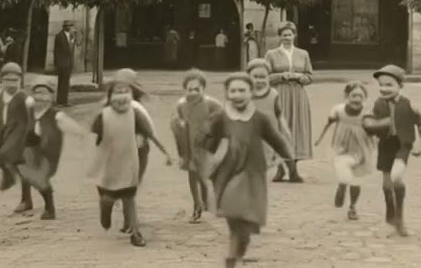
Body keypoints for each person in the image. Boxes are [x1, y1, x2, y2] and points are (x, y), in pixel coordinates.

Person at [205, 72, 296, 268]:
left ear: (251, 92)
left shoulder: (259, 118)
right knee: (233, 212)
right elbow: (209, 141)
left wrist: (288, 154)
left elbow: (275, 138)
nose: (237, 94)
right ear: (227, 93)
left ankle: (237, 252)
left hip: (253, 172)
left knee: (246, 222)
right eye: (233, 91)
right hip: (228, 172)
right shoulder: (221, 116)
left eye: (242, 90)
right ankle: (232, 255)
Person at [84, 68, 172, 248]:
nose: (122, 96)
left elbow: (150, 132)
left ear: (134, 93)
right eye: (117, 91)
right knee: (109, 195)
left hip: (135, 157)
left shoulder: (136, 112)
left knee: (129, 194)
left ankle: (134, 231)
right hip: (110, 160)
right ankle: (106, 208)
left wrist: (165, 152)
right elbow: (94, 137)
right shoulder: (104, 114)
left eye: (126, 91)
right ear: (110, 94)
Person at [363, 64, 421, 237]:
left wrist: (420, 144)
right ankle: (390, 212)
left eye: (389, 85)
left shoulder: (409, 104)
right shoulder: (378, 104)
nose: (384, 89)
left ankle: (400, 217)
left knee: (396, 177)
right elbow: (368, 123)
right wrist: (373, 126)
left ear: (400, 86)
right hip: (386, 145)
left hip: (403, 145)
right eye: (382, 85)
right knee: (387, 185)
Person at [15, 75, 86, 220]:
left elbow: (76, 129)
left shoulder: (56, 116)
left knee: (39, 177)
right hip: (32, 151)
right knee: (23, 166)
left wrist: (83, 135)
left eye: (44, 93)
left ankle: (50, 208)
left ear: (51, 97)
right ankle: (26, 200)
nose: (40, 97)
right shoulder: (29, 113)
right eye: (37, 93)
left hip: (48, 155)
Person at [313, 80, 376, 220]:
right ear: (347, 96)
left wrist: (377, 139)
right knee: (343, 170)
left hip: (362, 148)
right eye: (354, 95)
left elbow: (374, 128)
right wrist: (319, 138)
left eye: (361, 96)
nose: (357, 99)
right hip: (342, 146)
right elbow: (328, 124)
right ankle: (342, 186)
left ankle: (353, 207)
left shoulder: (367, 111)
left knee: (357, 179)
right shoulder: (339, 110)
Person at [170, 69, 223, 222]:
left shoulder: (210, 103)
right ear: (184, 89)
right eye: (189, 89)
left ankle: (208, 199)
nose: (193, 92)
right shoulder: (182, 104)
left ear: (203, 89)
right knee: (192, 175)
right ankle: (197, 205)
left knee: (203, 175)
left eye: (197, 89)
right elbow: (179, 121)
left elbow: (223, 116)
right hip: (189, 144)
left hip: (205, 145)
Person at [263, 22, 314, 182]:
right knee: (280, 129)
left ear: (294, 35)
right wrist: (282, 76)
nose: (287, 38)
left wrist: (300, 77)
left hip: (298, 95)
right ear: (280, 36)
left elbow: (310, 76)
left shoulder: (303, 54)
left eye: (289, 34)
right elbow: (265, 77)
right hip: (279, 93)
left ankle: (294, 170)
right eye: (284, 35)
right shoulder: (271, 54)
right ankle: (280, 169)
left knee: (297, 128)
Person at [0, 62, 31, 213]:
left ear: (20, 81)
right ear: (2, 81)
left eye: (15, 81)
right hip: (3, 130)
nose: (11, 84)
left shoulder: (23, 97)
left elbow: (33, 116)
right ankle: (9, 172)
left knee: (14, 160)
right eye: (8, 80)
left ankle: (26, 199)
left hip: (20, 133)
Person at [246, 58, 291, 181]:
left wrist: (285, 129)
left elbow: (279, 114)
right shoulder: (245, 94)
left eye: (263, 77)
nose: (259, 80)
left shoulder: (273, 94)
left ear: (268, 78)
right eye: (255, 77)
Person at [53, 20, 74, 107]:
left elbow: (71, 49)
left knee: (66, 83)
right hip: (61, 63)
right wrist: (57, 62)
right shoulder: (59, 36)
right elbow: (56, 51)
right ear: (64, 27)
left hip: (68, 62)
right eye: (67, 26)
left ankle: (64, 101)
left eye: (70, 26)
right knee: (61, 82)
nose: (69, 27)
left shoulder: (71, 36)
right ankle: (59, 101)